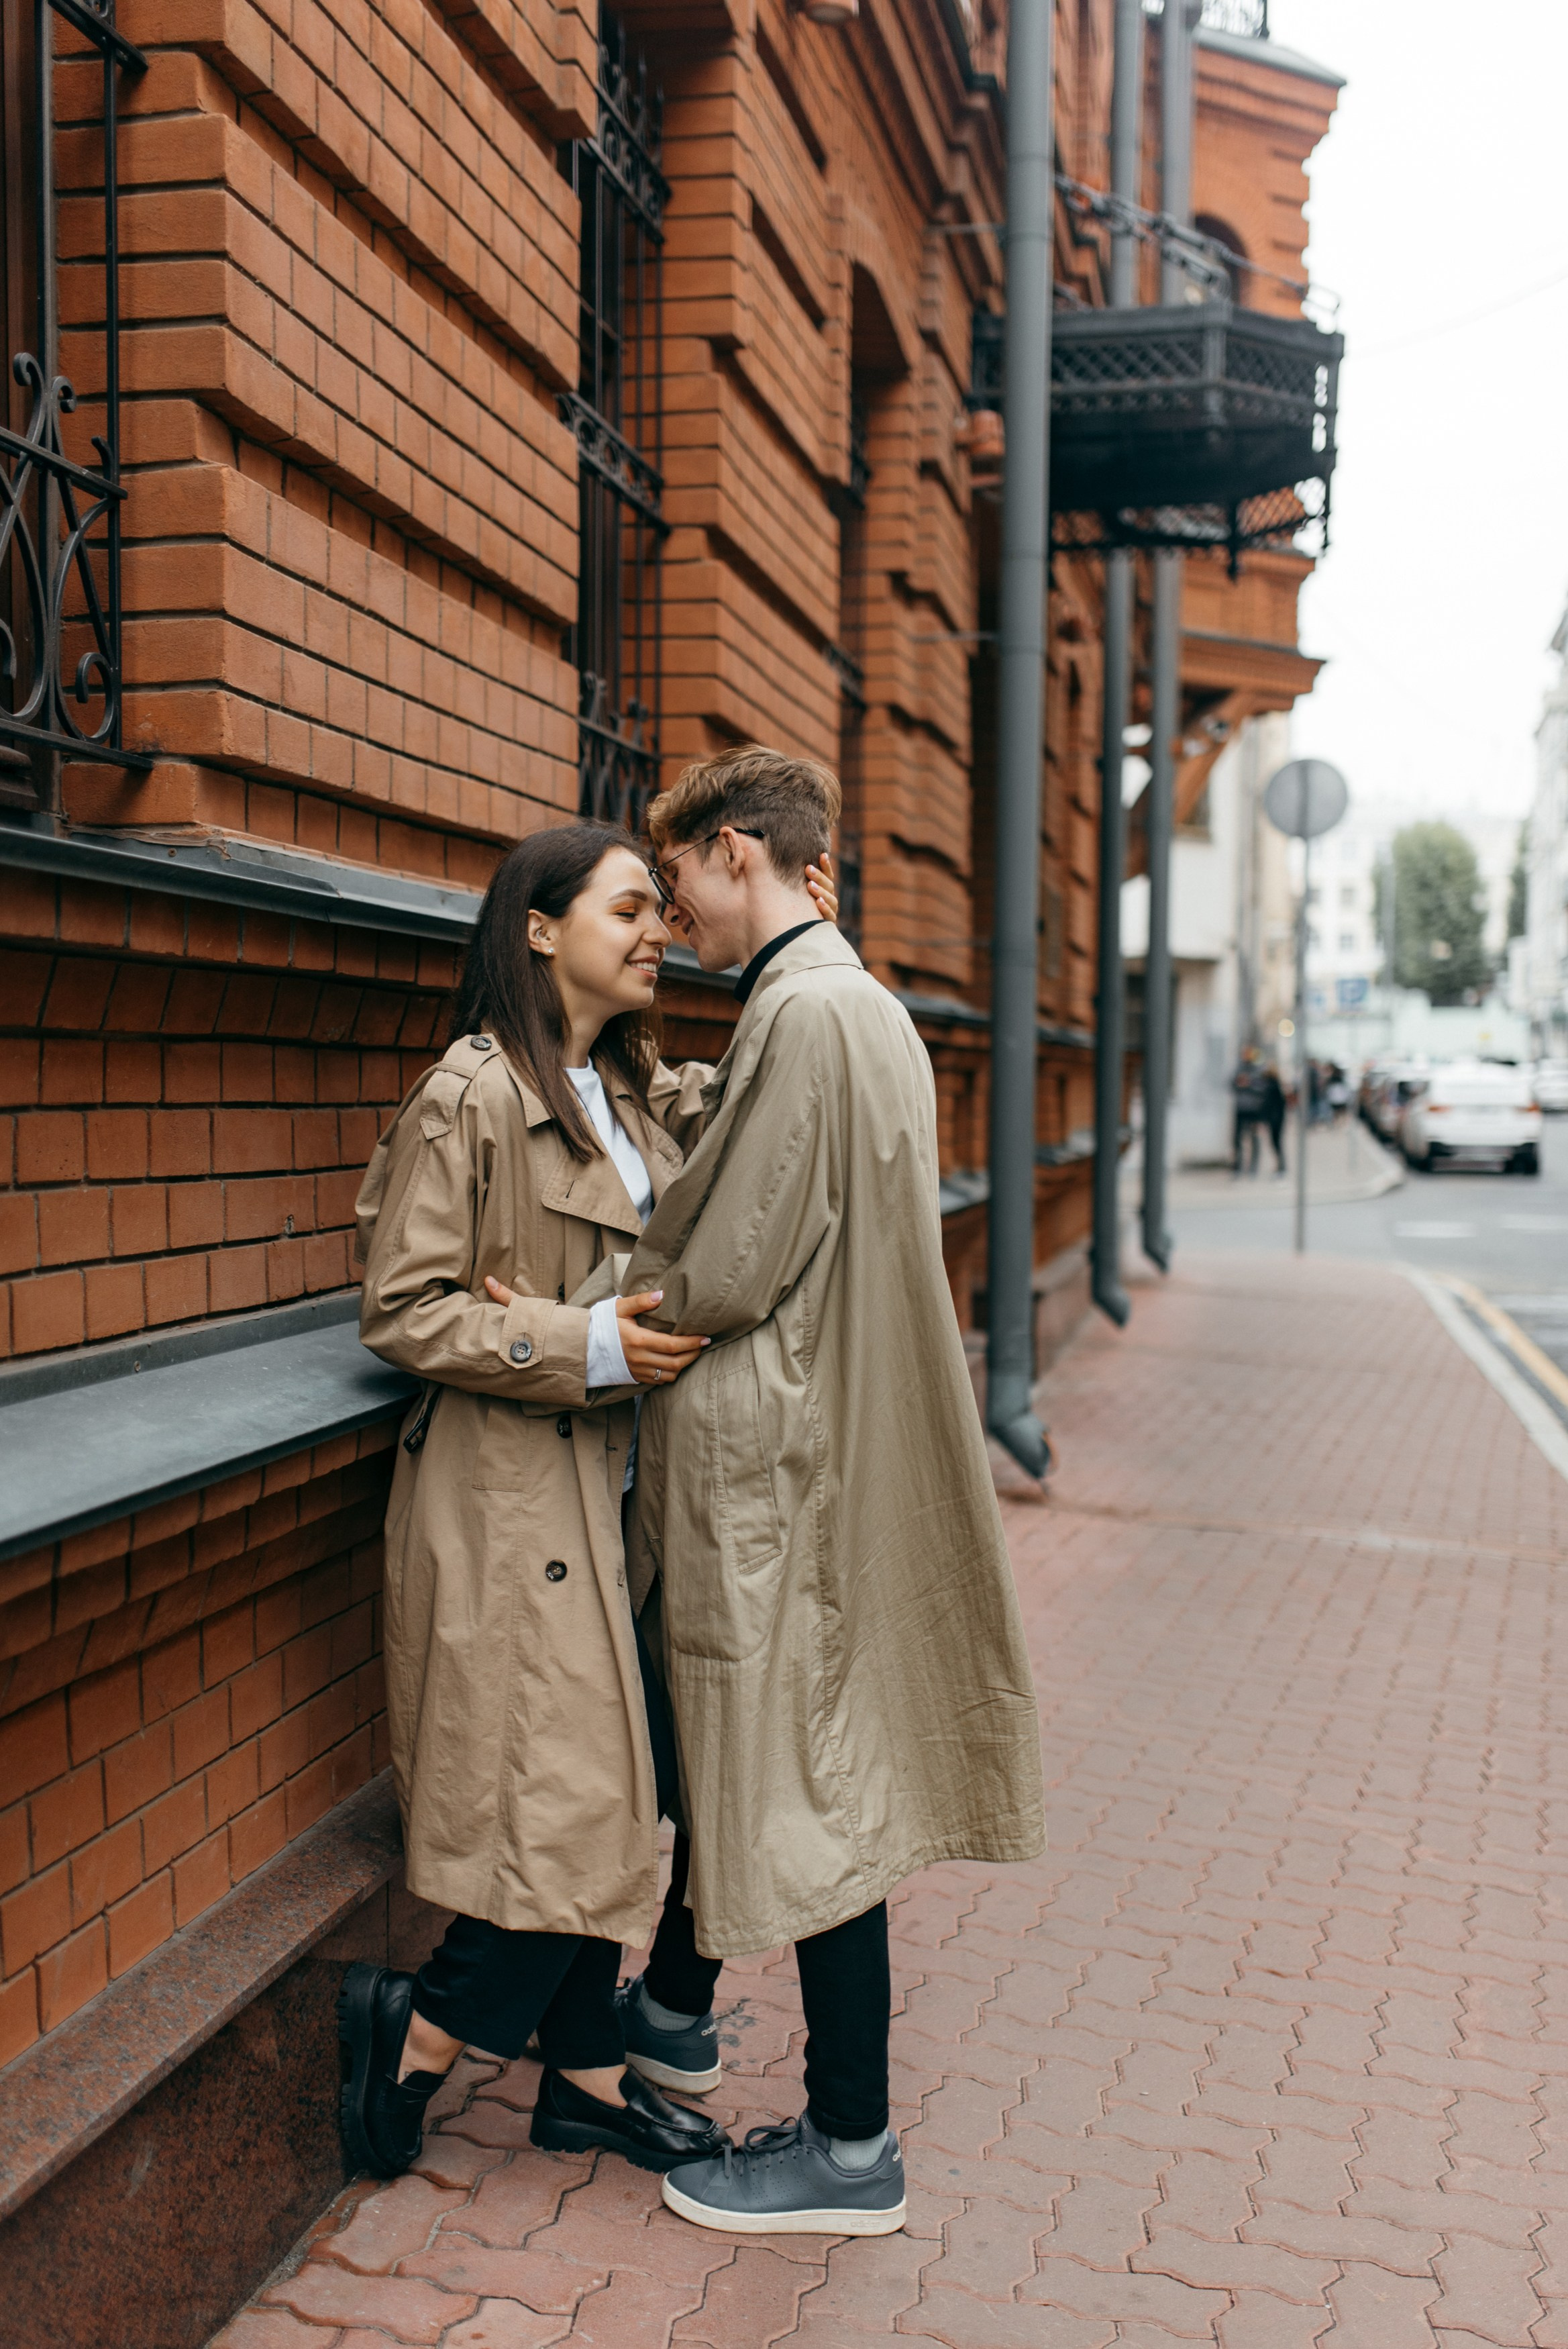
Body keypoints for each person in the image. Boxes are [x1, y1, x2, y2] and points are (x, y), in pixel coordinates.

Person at [611, 745, 1047, 2238]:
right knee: (794, 1778)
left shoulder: (797, 1013)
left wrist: (599, 1291)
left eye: (676, 884)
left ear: (739, 853)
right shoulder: (860, 1007)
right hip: (827, 1442)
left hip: (775, 1462)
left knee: (798, 1797)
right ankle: (674, 2013)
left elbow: (722, 1262)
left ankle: (849, 2148)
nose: (670, 921)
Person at [339, 823, 729, 2183]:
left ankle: (584, 2074)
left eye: (656, 910)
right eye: (626, 907)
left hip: (607, 1500)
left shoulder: (624, 1095)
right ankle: (423, 2033)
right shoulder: (474, 1095)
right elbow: (403, 1305)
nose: (653, 929)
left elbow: (767, 1114)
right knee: (589, 1806)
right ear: (540, 929)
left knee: (601, 1799)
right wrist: (584, 1344)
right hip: (509, 1506)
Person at [1232, 1044, 1267, 1175]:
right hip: (1241, 1109)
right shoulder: (1239, 1069)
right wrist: (1238, 1083)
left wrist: (1249, 1084)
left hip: (1254, 1110)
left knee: (1254, 1138)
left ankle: (1253, 1167)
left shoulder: (1258, 1070)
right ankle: (1238, 1167)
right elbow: (1232, 1084)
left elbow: (1263, 1088)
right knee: (1237, 1139)